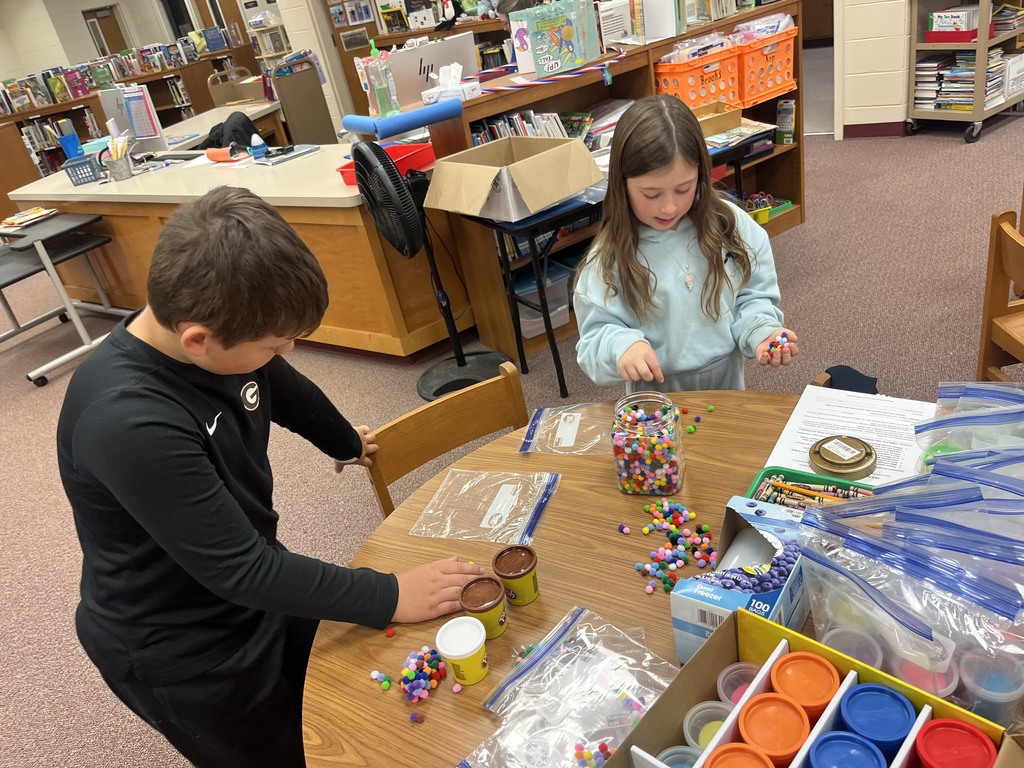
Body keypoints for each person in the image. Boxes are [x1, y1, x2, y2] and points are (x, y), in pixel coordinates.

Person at [56, 186, 485, 767]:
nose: (284, 351)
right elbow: (241, 570)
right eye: (274, 344)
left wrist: (344, 441)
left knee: (336, 705)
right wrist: (389, 595)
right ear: (198, 341)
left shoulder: (210, 333)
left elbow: (288, 392)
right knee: (280, 754)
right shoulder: (127, 422)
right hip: (181, 645)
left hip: (247, 583)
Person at [574, 95, 799, 393]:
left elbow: (752, 296)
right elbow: (594, 340)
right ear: (622, 183)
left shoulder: (730, 225)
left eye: (684, 189)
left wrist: (762, 330)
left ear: (701, 175)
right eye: (651, 194)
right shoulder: (609, 257)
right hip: (655, 395)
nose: (669, 208)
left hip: (726, 383)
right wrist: (621, 346)